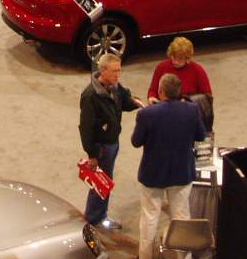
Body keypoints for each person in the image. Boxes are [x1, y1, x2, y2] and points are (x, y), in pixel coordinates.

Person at [131, 73, 207, 259]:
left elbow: (136, 141)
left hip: (153, 174)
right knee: (181, 217)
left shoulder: (146, 113)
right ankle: (185, 257)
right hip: (181, 172)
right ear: (179, 92)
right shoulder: (192, 110)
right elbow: (201, 136)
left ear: (161, 91)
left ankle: (145, 256)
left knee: (149, 218)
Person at [79, 54, 144, 230]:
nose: (118, 75)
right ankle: (94, 220)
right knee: (100, 184)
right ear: (102, 71)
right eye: (114, 71)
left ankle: (99, 215)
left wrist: (136, 103)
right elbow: (85, 128)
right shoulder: (90, 96)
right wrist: (92, 155)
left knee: (105, 181)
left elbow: (124, 100)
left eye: (119, 70)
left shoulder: (114, 86)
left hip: (112, 143)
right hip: (101, 148)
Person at [147, 37, 212, 104]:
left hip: (188, 109)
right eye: (173, 57)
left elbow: (207, 96)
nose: (175, 62)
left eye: (180, 59)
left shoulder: (197, 70)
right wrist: (151, 97)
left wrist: (189, 99)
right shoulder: (161, 67)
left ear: (187, 58)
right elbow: (153, 90)